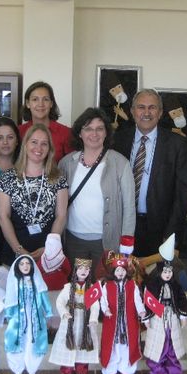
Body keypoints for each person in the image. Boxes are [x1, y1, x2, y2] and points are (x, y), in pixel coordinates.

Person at [112, 89, 187, 257]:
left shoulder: (177, 144)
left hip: (159, 229)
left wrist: (171, 233)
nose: (146, 113)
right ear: (132, 111)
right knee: (121, 271)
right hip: (121, 225)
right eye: (141, 107)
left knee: (155, 273)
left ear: (160, 113)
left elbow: (182, 194)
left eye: (152, 107)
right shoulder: (117, 140)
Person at [59, 107, 135, 263]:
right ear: (80, 133)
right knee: (78, 279)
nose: (94, 134)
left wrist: (126, 244)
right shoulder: (66, 163)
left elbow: (129, 208)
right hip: (73, 240)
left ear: (106, 133)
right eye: (88, 129)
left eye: (100, 129)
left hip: (107, 242)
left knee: (104, 279)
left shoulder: (120, 163)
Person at [0, 124, 68, 266]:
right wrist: (18, 249)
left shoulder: (58, 178)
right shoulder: (8, 177)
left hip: (48, 254)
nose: (38, 148)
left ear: (49, 149)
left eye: (44, 144)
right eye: (34, 142)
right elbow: (3, 217)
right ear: (25, 145)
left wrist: (49, 247)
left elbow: (61, 216)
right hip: (14, 253)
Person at [143, 235, 187, 374]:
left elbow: (181, 300)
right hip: (157, 318)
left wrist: (182, 316)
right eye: (165, 272)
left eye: (170, 272)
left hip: (172, 318)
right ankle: (157, 370)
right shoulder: (153, 285)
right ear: (159, 272)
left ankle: (173, 370)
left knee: (172, 346)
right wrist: (146, 317)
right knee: (158, 346)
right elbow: (148, 301)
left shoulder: (176, 286)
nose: (168, 274)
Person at [49, 258, 100, 374]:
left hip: (84, 322)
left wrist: (93, 319)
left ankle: (82, 372)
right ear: (75, 271)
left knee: (84, 346)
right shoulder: (68, 287)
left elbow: (95, 305)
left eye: (86, 269)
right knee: (68, 346)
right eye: (80, 268)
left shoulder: (92, 288)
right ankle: (66, 372)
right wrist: (64, 312)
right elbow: (60, 302)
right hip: (70, 322)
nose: (83, 271)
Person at [4, 255, 53, 374]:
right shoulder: (15, 281)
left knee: (33, 341)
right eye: (22, 264)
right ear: (17, 267)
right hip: (18, 317)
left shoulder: (37, 280)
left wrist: (48, 312)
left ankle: (32, 369)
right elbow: (10, 297)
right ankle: (17, 369)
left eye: (27, 263)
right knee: (17, 340)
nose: (25, 266)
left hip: (34, 316)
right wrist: (9, 313)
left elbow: (43, 296)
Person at [100, 254, 146, 374]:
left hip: (128, 321)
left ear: (127, 272)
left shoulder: (132, 285)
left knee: (127, 346)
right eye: (118, 270)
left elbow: (137, 300)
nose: (120, 273)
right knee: (112, 346)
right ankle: (110, 369)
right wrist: (106, 310)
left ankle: (126, 369)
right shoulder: (107, 285)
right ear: (113, 272)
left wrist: (141, 311)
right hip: (112, 321)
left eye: (123, 270)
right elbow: (103, 301)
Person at [18, 81, 72, 163]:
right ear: (28, 103)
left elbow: (71, 165)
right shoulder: (19, 132)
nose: (40, 104)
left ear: (51, 104)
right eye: (35, 99)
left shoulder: (66, 133)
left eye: (45, 99)